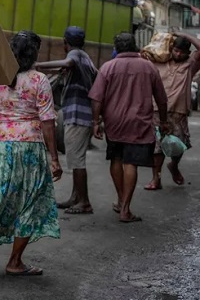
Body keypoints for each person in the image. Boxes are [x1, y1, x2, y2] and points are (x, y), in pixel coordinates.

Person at [0, 31, 62, 276]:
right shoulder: (39, 80)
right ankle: (15, 262)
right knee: (31, 200)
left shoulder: (1, 79)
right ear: (34, 54)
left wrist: (4, 111)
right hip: (30, 146)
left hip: (2, 145)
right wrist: (54, 158)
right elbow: (48, 121)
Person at [88, 33, 169, 223]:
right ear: (135, 46)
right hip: (139, 122)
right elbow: (162, 99)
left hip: (114, 122)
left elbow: (97, 98)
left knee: (116, 158)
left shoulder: (108, 67)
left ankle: (120, 199)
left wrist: (95, 122)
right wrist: (164, 121)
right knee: (130, 163)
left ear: (117, 48)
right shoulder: (149, 67)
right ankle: (125, 208)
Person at [35, 26, 97, 215]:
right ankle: (75, 198)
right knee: (74, 158)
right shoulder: (85, 57)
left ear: (65, 42)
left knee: (76, 161)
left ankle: (84, 202)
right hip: (80, 114)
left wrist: (38, 65)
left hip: (78, 115)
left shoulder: (75, 55)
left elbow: (68, 63)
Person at [146, 33, 200, 190]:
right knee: (158, 146)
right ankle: (156, 179)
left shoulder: (190, 65)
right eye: (176, 50)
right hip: (157, 110)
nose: (178, 54)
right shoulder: (159, 61)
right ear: (171, 49)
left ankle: (174, 166)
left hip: (178, 112)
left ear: (188, 54)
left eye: (182, 52)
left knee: (178, 146)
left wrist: (182, 34)